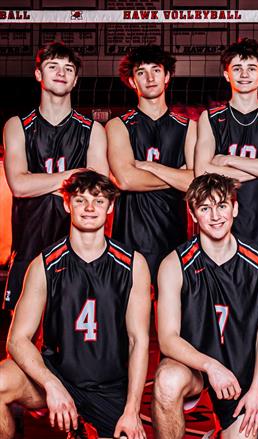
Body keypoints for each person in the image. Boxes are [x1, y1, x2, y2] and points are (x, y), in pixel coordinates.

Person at [0, 171, 149, 439]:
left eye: (99, 201)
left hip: (108, 386)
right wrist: (51, 384)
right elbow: (17, 340)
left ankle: (81, 430)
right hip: (58, 374)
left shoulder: (132, 264)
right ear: (67, 204)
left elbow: (137, 341)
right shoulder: (44, 265)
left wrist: (132, 410)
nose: (90, 208)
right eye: (80, 200)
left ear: (110, 207)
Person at [194, 38, 258, 439]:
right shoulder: (211, 117)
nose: (245, 73)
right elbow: (202, 172)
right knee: (216, 322)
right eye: (237, 67)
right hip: (219, 237)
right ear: (226, 74)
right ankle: (218, 413)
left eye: (252, 67)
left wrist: (229, 162)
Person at [152, 173, 258, 439]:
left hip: (239, 373)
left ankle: (216, 437)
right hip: (194, 366)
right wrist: (210, 366)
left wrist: (257, 391)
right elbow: (168, 339)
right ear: (193, 214)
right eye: (205, 208)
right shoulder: (174, 264)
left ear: (235, 208)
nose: (215, 216)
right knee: (167, 380)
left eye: (221, 205)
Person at [3, 42, 108, 311]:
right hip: (28, 246)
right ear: (39, 74)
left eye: (68, 68)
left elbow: (98, 190)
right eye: (53, 66)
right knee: (22, 331)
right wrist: (74, 176)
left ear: (75, 80)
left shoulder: (93, 130)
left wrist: (38, 181)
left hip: (77, 251)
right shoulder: (17, 126)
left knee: (70, 330)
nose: (61, 73)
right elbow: (19, 186)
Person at [107, 44, 195, 286]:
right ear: (132, 81)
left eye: (156, 70)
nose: (149, 77)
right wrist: (178, 176)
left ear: (167, 77)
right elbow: (126, 180)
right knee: (133, 307)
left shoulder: (189, 127)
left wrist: (150, 166)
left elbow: (194, 183)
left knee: (170, 306)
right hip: (130, 239)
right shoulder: (118, 125)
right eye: (141, 72)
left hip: (174, 238)